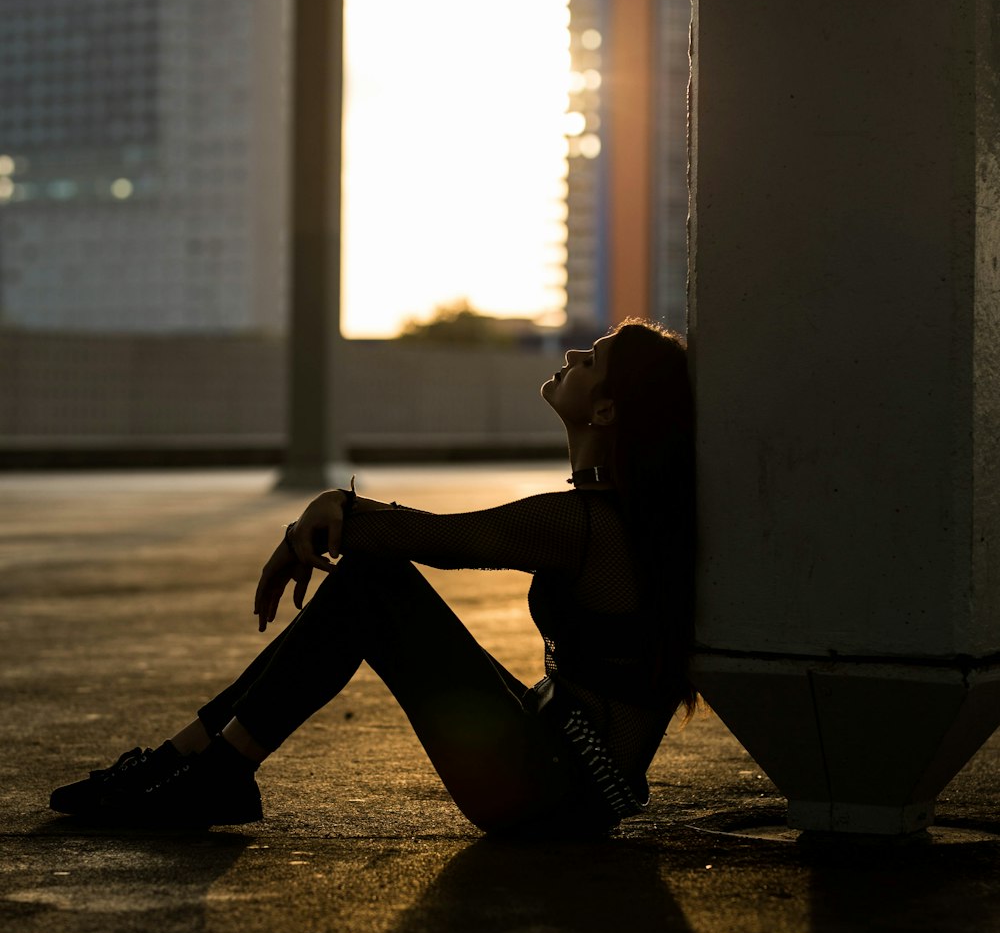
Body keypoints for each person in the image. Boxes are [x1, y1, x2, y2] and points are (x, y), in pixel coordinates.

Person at [49, 318, 696, 837]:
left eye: (592, 361)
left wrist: (334, 507)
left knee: (370, 582)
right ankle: (186, 761)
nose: (576, 350)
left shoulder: (587, 522)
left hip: (551, 792)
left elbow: (442, 539)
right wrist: (342, 517)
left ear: (607, 412)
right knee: (370, 576)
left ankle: (209, 768)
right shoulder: (605, 514)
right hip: (558, 772)